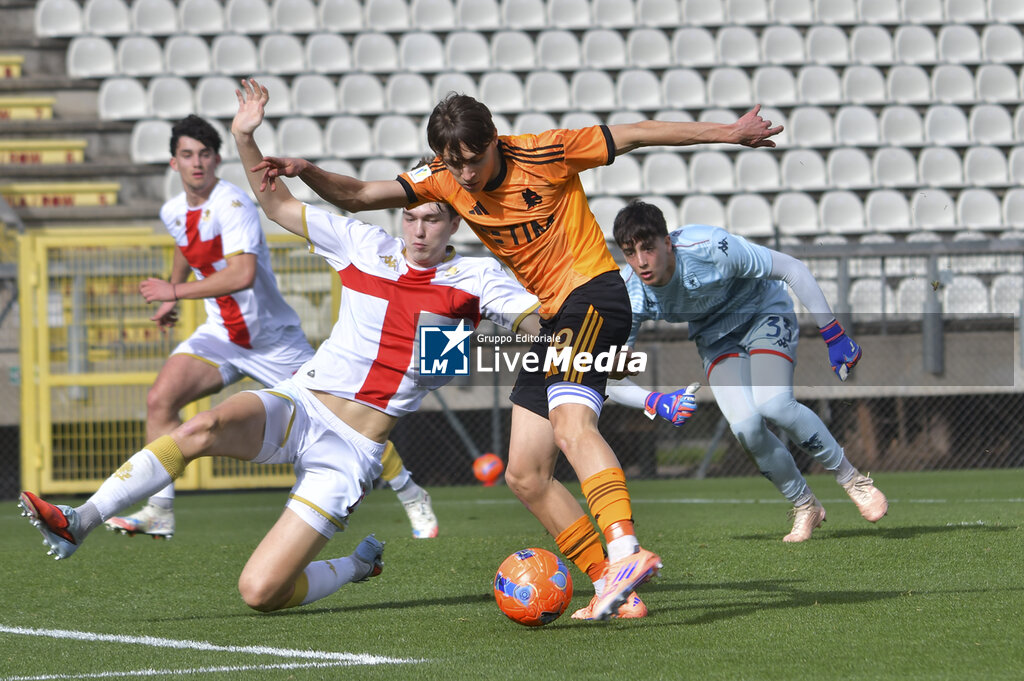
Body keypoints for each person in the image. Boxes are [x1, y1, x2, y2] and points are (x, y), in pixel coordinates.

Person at [251, 91, 782, 619]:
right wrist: (307, 170)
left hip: (593, 295)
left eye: (473, 161)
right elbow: (361, 194)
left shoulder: (545, 153)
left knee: (572, 426)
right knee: (525, 475)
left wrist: (730, 133)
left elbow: (638, 132)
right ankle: (612, 587)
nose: (464, 175)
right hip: (553, 320)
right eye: (453, 164)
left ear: (493, 142)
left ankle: (624, 550)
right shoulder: (442, 177)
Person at [19, 81, 542, 613]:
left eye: (433, 218)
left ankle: (357, 565)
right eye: (411, 216)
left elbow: (532, 321)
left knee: (260, 593)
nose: (419, 228)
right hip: (302, 403)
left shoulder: (475, 277)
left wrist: (538, 351)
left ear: (455, 219)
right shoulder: (365, 245)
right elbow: (277, 203)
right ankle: (79, 520)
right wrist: (245, 137)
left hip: (351, 453)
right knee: (200, 426)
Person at [105, 114, 438, 542]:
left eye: (205, 154)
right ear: (174, 163)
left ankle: (410, 493)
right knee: (159, 400)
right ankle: (159, 510)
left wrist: (173, 291)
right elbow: (186, 246)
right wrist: (176, 290)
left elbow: (241, 275)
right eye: (187, 155)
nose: (197, 163)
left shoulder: (234, 205)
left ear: (217, 159)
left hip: (273, 341)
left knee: (346, 420)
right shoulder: (173, 210)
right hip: (221, 335)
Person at [606, 199, 888, 542]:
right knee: (747, 429)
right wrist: (654, 401)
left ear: (667, 242)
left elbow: (793, 269)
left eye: (648, 248)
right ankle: (805, 505)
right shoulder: (630, 294)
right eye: (630, 253)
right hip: (714, 340)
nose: (641, 262)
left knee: (775, 405)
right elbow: (610, 373)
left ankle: (852, 480)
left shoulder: (711, 247)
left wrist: (833, 333)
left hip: (763, 314)